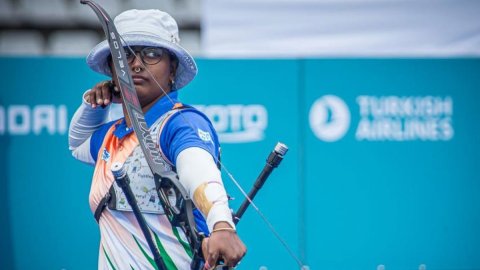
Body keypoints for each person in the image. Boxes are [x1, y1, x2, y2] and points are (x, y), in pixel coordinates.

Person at [68, 9, 246, 270]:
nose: (136, 64)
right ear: (111, 68)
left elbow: (198, 170)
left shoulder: (179, 124)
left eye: (152, 54)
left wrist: (221, 223)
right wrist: (95, 104)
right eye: (125, 55)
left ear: (172, 68)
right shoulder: (112, 136)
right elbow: (78, 144)